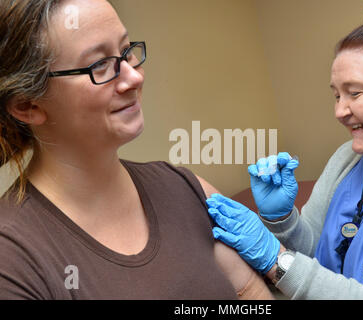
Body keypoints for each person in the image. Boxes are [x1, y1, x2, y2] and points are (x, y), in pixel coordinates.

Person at [0, 0, 273, 299]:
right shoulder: (13, 258)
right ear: (28, 105)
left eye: (126, 51)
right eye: (99, 65)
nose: (134, 77)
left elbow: (250, 294)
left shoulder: (183, 188)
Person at [207, 0, 363, 299]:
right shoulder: (348, 158)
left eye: (355, 93)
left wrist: (276, 262)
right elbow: (315, 252)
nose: (339, 111)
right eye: (336, 95)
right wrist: (283, 220)